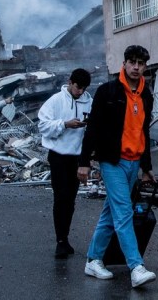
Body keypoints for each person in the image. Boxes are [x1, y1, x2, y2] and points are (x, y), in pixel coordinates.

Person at [79, 45, 157, 288]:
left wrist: (146, 167)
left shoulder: (146, 95)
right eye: (132, 62)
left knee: (111, 213)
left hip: (134, 164)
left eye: (140, 63)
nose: (136, 67)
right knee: (124, 212)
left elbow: (144, 131)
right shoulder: (108, 91)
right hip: (112, 161)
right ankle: (136, 267)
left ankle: (93, 259)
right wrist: (84, 163)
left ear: (145, 66)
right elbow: (93, 128)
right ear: (124, 64)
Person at [38, 68, 92, 258]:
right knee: (61, 198)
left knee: (70, 199)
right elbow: (43, 125)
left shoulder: (89, 102)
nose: (80, 91)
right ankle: (60, 241)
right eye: (78, 87)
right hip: (58, 156)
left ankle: (65, 237)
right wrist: (65, 124)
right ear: (70, 82)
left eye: (84, 88)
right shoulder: (55, 101)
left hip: (77, 158)